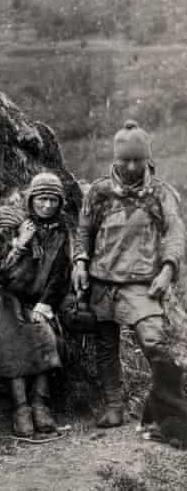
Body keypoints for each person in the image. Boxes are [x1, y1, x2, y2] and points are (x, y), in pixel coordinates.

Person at [73, 120, 187, 431]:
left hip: (142, 283)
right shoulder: (99, 192)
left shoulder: (161, 194)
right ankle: (114, 407)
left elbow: (175, 233)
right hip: (101, 281)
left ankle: (167, 412)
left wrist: (168, 269)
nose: (133, 166)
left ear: (148, 159)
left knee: (156, 343)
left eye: (139, 159)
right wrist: (81, 262)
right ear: (116, 160)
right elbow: (84, 230)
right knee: (105, 346)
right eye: (126, 160)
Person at [0, 172, 70, 436]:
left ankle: (40, 404)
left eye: (52, 200)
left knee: (46, 336)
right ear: (31, 199)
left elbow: (60, 275)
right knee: (11, 336)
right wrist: (20, 246)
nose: (47, 206)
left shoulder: (60, 233)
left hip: (34, 300)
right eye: (42, 199)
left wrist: (45, 305)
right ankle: (20, 407)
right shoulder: (10, 228)